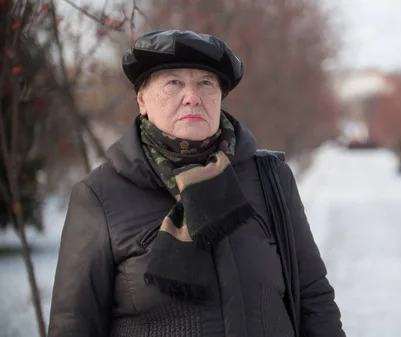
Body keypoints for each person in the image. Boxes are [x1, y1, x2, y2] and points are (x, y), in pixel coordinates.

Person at [48, 29, 345, 337]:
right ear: (142, 100)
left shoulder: (270, 178)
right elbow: (74, 324)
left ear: (220, 98)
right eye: (173, 83)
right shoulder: (101, 195)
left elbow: (314, 299)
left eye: (206, 83)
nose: (192, 97)